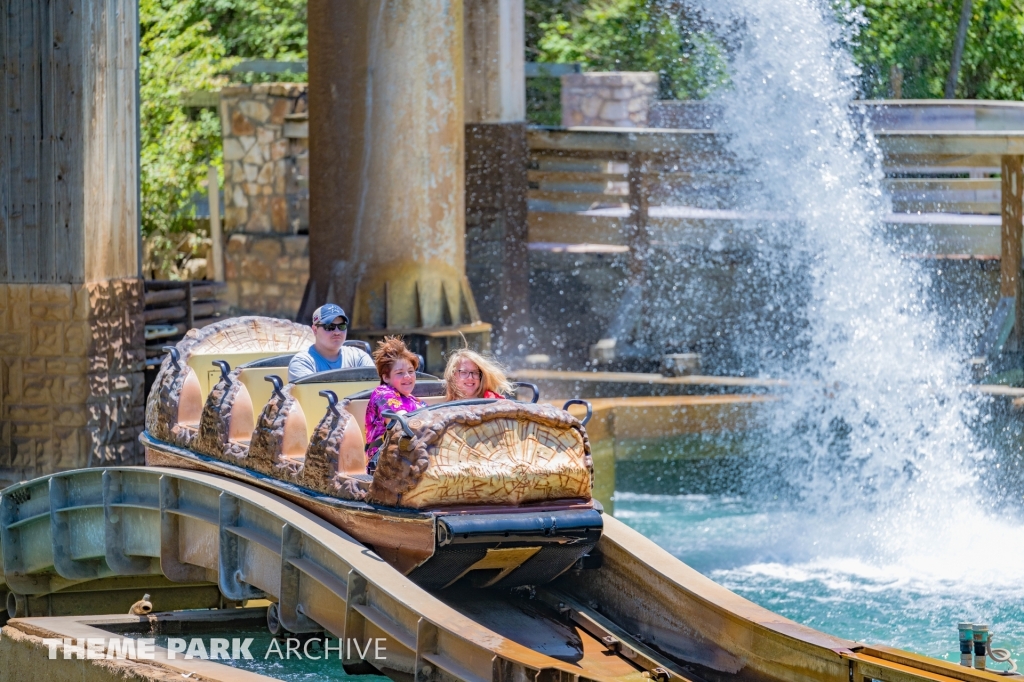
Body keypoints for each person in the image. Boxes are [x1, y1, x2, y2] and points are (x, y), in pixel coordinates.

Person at [364, 336, 427, 468]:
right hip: (384, 463)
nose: (408, 377)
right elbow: (404, 423)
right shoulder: (383, 393)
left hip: (414, 456)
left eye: (411, 371)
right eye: (400, 373)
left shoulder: (416, 401)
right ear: (386, 377)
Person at [288, 304, 374, 382]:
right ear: (315, 330)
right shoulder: (303, 362)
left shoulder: (358, 357)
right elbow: (313, 396)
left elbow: (374, 389)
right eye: (329, 326)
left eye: (342, 326)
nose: (337, 332)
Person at [443, 349, 514, 401]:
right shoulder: (441, 407)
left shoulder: (495, 401)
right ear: (453, 375)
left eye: (475, 372)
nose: (470, 377)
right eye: (464, 372)